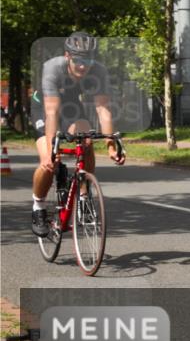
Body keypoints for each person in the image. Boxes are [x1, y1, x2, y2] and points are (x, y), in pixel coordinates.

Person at [31, 32, 125, 237]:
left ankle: (84, 197)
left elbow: (103, 110)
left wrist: (110, 145)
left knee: (87, 139)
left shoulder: (98, 71)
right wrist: (50, 150)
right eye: (78, 60)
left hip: (72, 107)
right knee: (49, 162)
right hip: (45, 107)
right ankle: (38, 206)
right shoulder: (52, 68)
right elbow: (52, 112)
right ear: (67, 56)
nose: (84, 66)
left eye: (89, 60)